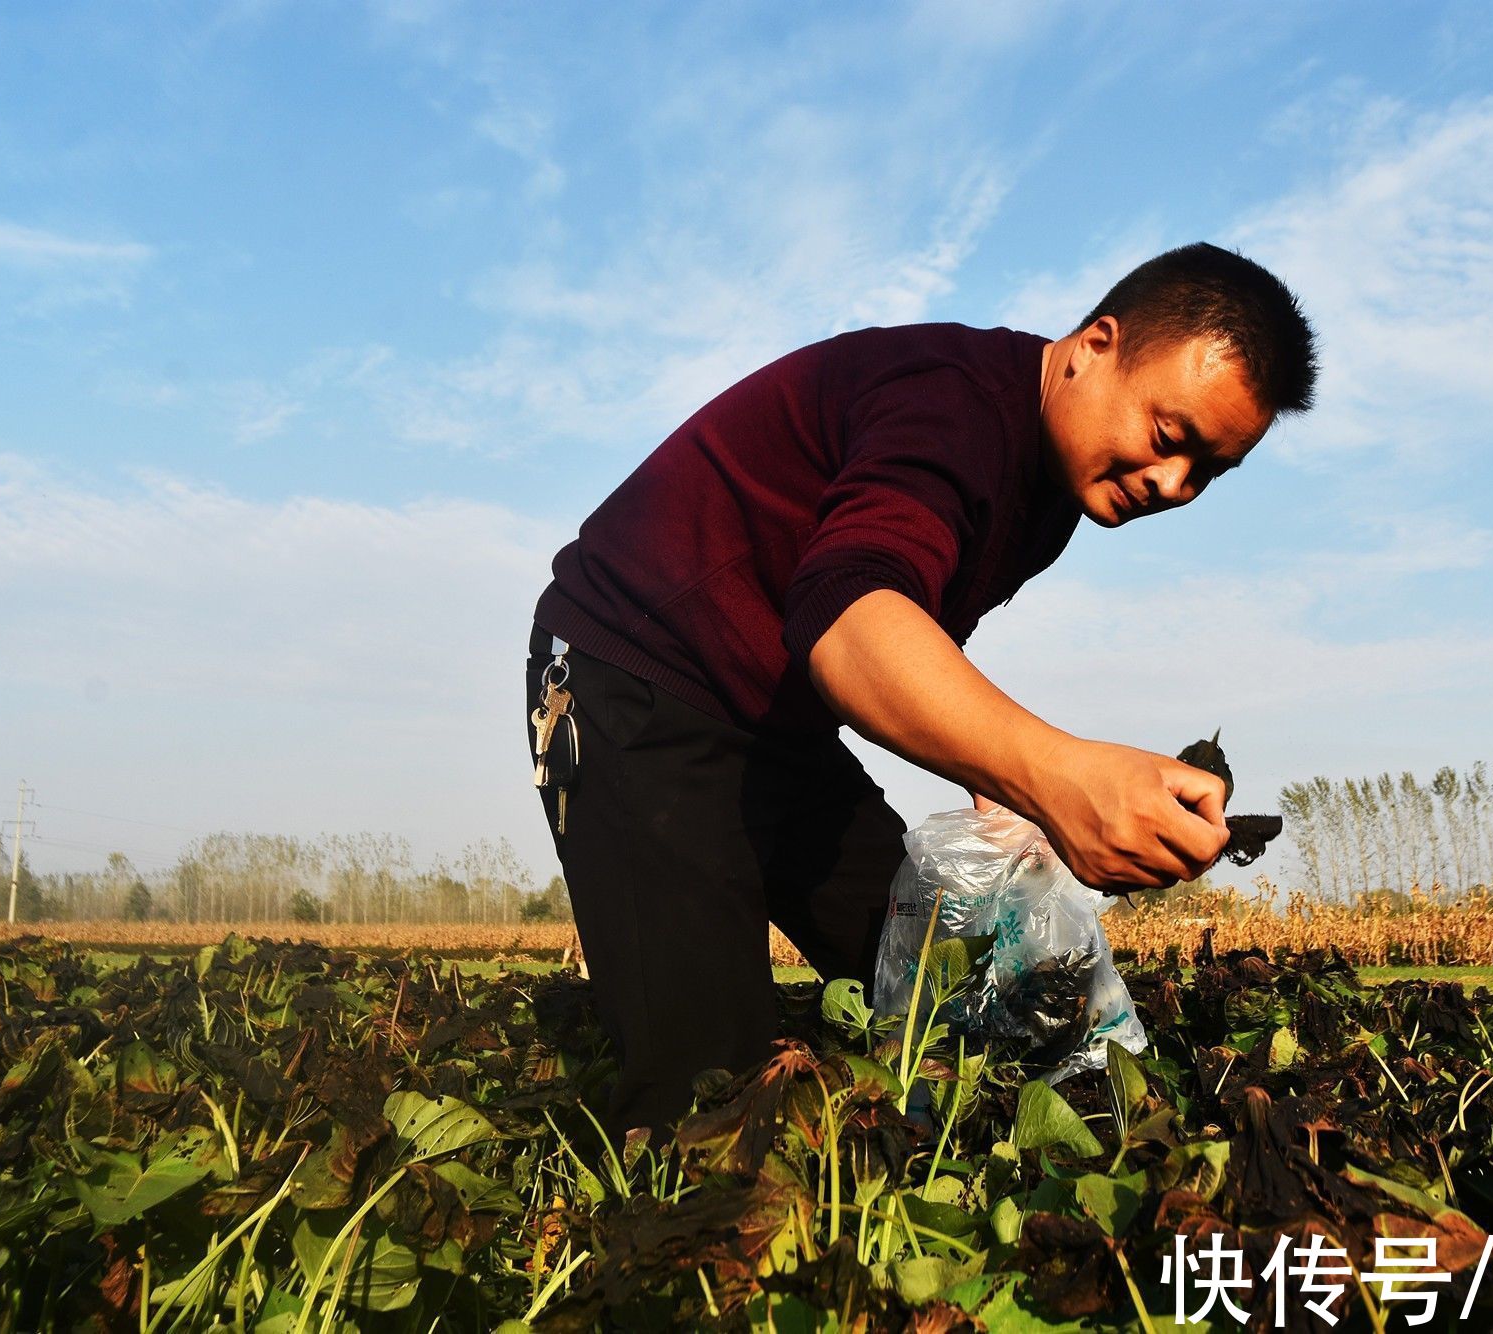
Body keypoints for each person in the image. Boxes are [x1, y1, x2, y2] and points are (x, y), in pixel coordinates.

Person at [524, 241, 1318, 1144]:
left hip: (778, 733)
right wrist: (1057, 777)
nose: (1173, 485)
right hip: (632, 683)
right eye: (1169, 438)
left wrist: (1004, 804)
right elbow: (849, 615)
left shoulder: (1051, 489)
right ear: (1096, 345)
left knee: (941, 978)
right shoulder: (954, 407)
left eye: (1208, 470)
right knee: (711, 1096)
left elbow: (917, 628)